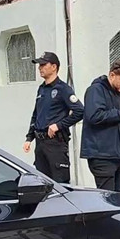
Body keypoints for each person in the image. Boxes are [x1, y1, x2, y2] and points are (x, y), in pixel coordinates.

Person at [23, 52, 84, 183]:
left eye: (43, 64)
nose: (40, 67)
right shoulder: (42, 89)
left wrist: (58, 125)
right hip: (40, 143)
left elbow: (80, 111)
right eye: (39, 65)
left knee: (59, 184)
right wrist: (29, 137)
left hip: (56, 143)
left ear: (54, 66)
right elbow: (36, 114)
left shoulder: (63, 89)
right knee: (41, 184)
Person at [81, 59, 120, 192]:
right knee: (107, 198)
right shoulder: (96, 90)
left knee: (117, 198)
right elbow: (94, 116)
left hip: (119, 155)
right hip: (102, 156)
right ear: (112, 75)